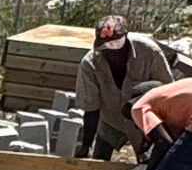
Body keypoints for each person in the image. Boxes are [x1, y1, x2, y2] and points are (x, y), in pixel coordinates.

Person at [74, 14, 177, 159]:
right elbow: (91, 109)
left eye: (117, 43)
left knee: (150, 166)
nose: (113, 50)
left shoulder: (149, 53)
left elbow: (168, 92)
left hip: (145, 122)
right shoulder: (90, 65)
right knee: (98, 163)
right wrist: (86, 145)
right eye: (106, 45)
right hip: (110, 121)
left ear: (126, 36)